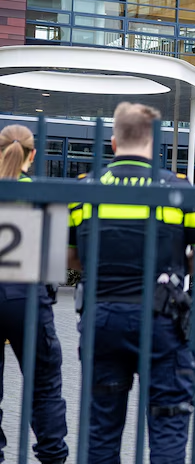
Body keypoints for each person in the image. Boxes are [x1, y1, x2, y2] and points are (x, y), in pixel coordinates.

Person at [68, 103, 195, 464]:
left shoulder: (85, 189)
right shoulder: (178, 189)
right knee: (168, 421)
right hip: (161, 317)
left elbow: (71, 257)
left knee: (101, 428)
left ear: (113, 142)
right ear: (153, 142)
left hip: (102, 317)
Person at [0, 124, 70, 464]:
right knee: (44, 387)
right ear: (33, 154)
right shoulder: (44, 193)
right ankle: (52, 456)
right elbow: (55, 264)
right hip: (27, 297)